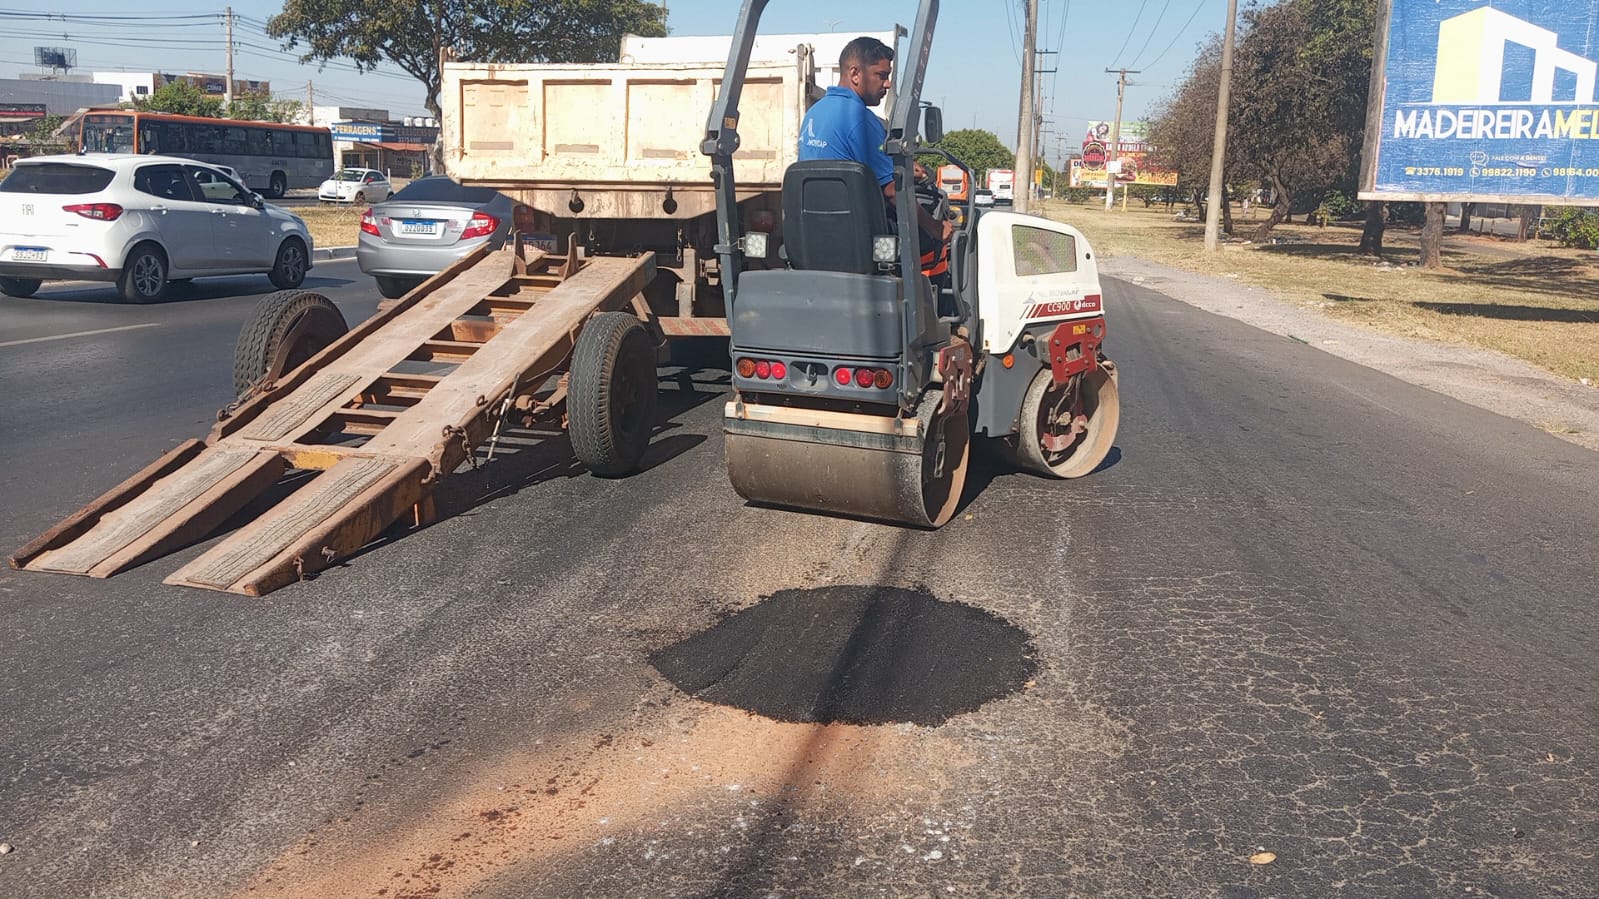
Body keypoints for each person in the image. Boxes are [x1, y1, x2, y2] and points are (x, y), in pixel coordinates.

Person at [798, 36, 953, 246]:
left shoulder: (814, 113)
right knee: (930, 236)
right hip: (856, 237)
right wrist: (935, 227)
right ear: (855, 74)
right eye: (881, 75)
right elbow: (892, 191)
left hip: (816, 231)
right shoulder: (860, 119)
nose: (887, 84)